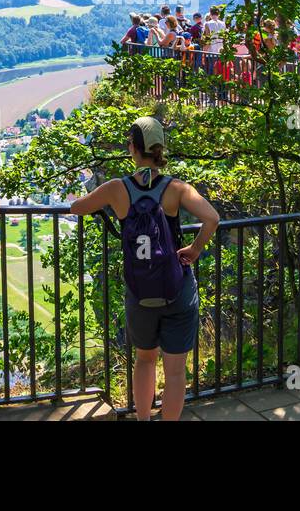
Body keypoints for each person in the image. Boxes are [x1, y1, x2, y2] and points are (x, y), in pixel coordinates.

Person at [69, 117, 219, 421]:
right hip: (176, 289)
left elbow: (77, 208)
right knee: (175, 372)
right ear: (159, 149)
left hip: (139, 293)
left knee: (144, 361)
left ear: (133, 149)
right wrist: (195, 249)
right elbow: (212, 218)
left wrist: (104, 203)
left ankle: (143, 419)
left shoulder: (116, 189)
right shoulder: (176, 189)